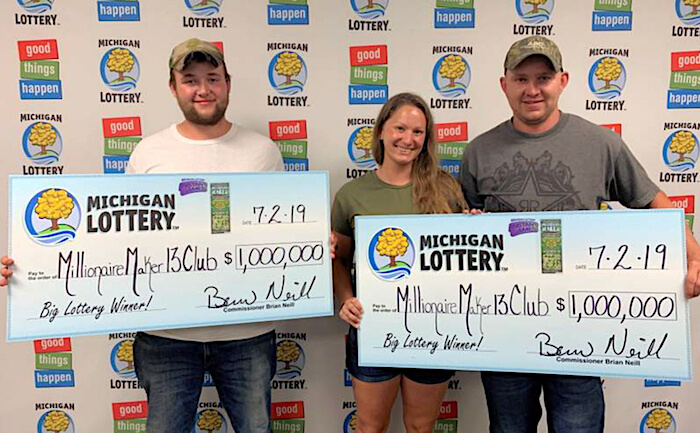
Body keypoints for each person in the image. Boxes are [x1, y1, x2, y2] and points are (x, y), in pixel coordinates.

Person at [4, 38, 284, 433]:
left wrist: (309, 245)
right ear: (173, 87)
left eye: (213, 78)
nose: (203, 89)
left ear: (228, 84)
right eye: (190, 80)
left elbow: (280, 231)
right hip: (165, 336)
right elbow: (118, 240)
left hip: (246, 334)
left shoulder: (263, 152)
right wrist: (32, 266)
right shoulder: (148, 153)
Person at [459, 35, 700, 433]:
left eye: (543, 78)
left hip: (579, 328)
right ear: (504, 85)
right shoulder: (478, 151)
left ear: (563, 81)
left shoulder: (601, 143)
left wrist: (694, 256)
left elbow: (653, 202)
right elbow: (459, 232)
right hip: (504, 330)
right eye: (521, 79)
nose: (532, 90)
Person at [332, 92, 469, 433]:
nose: (408, 139)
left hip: (434, 329)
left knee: (421, 427)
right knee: (370, 427)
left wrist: (476, 227)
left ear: (426, 139)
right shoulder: (351, 195)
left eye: (418, 132)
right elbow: (340, 259)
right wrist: (346, 299)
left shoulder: (446, 189)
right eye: (400, 128)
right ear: (381, 130)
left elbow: (464, 259)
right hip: (373, 327)